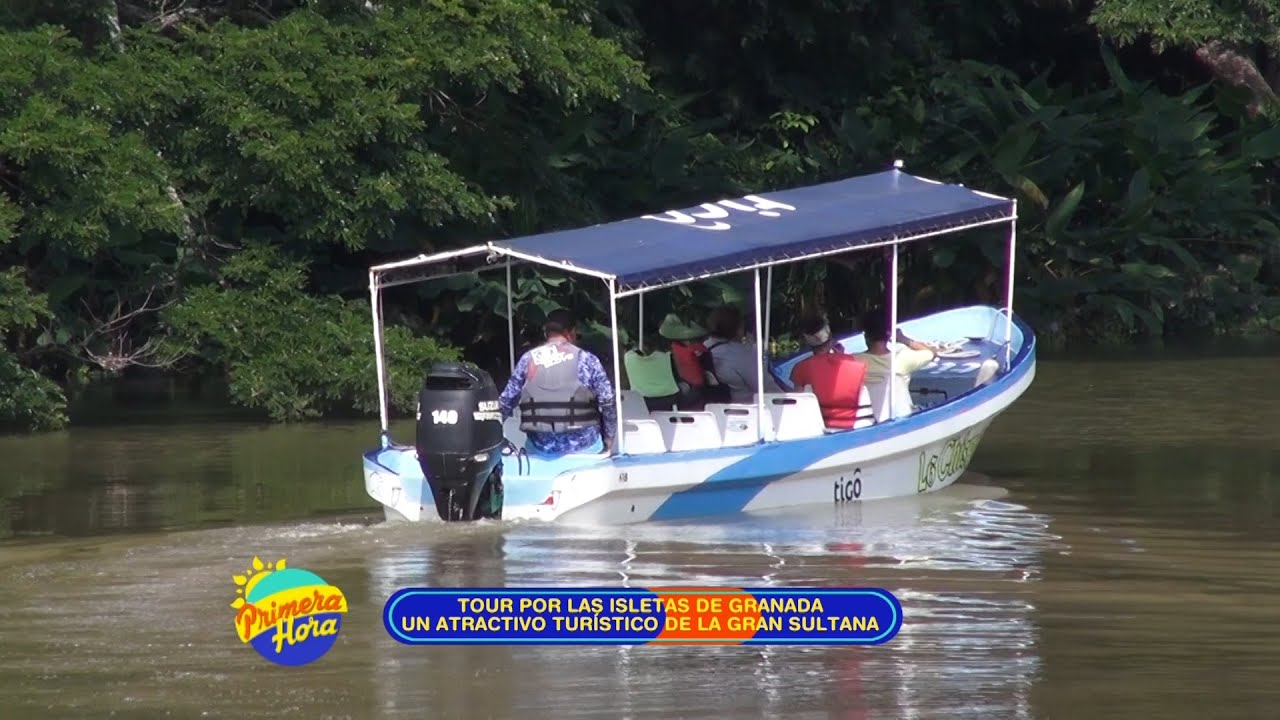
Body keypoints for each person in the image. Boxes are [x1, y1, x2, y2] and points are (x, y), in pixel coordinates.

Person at [498, 308, 617, 456]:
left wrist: (493, 437)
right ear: (572, 332)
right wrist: (609, 437)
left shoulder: (528, 360)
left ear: (545, 333)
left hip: (540, 449)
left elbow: (506, 402)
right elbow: (607, 400)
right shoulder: (587, 360)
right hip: (584, 449)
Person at [852, 307, 937, 420]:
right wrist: (903, 339)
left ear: (865, 335)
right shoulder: (902, 358)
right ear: (889, 334)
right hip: (903, 416)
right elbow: (931, 352)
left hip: (872, 418)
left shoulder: (853, 361)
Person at [788, 312, 868, 430]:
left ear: (807, 343)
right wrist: (841, 356)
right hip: (854, 424)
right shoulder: (851, 362)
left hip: (818, 427)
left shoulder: (801, 368)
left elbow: (798, 402)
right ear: (831, 340)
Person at [703, 305, 782, 403]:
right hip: (744, 411)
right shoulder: (739, 355)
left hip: (712, 408)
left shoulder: (705, 347)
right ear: (739, 328)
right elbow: (766, 387)